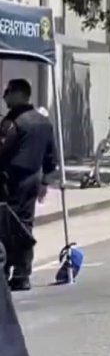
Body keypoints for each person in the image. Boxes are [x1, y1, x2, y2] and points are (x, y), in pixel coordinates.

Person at [0, 79, 56, 291]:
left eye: (8, 92)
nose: (4, 96)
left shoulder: (14, 121)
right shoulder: (43, 122)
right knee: (24, 225)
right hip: (32, 179)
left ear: (19, 94)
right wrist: (44, 181)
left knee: (5, 227)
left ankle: (4, 272)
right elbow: (50, 157)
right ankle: (22, 274)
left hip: (10, 181)